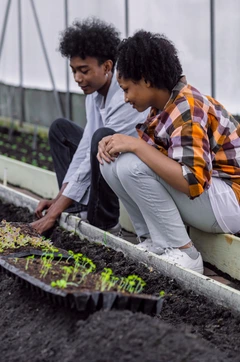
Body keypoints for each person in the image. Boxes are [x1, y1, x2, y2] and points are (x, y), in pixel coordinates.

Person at [98, 31, 240, 274]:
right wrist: (118, 144)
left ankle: (184, 251)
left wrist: (136, 145)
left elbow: (192, 181)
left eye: (127, 89)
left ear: (146, 80)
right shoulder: (164, 106)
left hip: (230, 201)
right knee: (111, 162)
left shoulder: (188, 109)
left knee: (132, 164)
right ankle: (154, 240)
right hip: (213, 196)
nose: (125, 98)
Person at [31, 18, 148, 235]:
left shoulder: (124, 97)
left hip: (137, 164)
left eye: (84, 70)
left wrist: (53, 214)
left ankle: (106, 223)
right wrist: (58, 201)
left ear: (107, 66)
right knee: (61, 130)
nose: (77, 78)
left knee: (101, 139)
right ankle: (75, 207)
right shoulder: (93, 94)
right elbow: (84, 147)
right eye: (73, 70)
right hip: (105, 154)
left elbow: (91, 157)